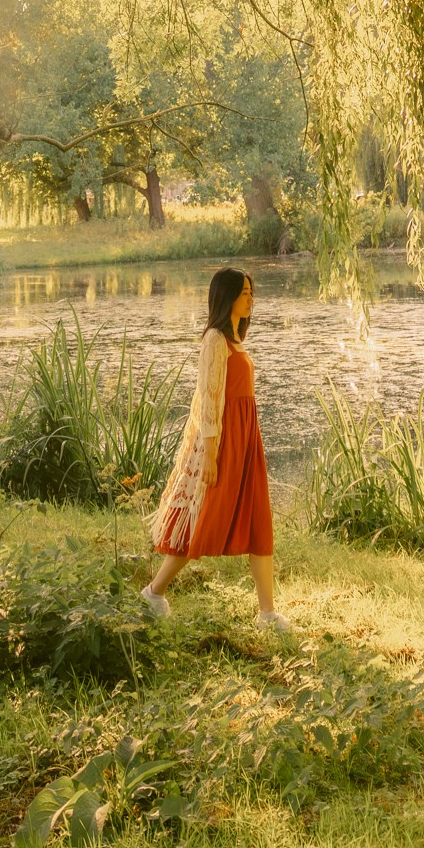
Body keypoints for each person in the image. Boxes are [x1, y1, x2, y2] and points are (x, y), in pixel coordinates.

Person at [142, 266, 289, 630]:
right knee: (204, 518)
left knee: (258, 519)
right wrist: (210, 453)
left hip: (246, 440)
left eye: (252, 293)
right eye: (244, 294)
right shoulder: (214, 341)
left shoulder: (235, 341)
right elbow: (209, 400)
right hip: (224, 442)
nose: (251, 300)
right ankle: (153, 592)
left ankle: (267, 612)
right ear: (226, 299)